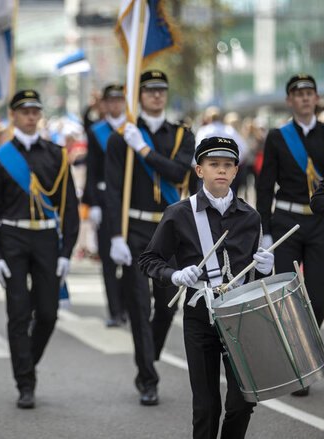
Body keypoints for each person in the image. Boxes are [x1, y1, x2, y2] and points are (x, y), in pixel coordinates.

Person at [139, 137, 274, 439]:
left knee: (243, 401)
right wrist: (174, 275)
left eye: (228, 165)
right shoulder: (179, 213)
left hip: (240, 315)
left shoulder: (250, 216)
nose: (221, 171)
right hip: (200, 314)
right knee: (206, 406)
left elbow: (257, 278)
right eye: (213, 165)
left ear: (237, 171)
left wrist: (267, 268)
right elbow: (149, 259)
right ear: (199, 170)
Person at [0, 90, 79, 409]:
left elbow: (70, 209)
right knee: (18, 312)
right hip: (13, 239)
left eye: (35, 111)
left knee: (48, 313)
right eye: (24, 111)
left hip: (48, 240)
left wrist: (66, 252)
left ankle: (26, 363)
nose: (31, 116)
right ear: (13, 116)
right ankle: (25, 382)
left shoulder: (57, 155)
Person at [105, 70, 195, 405]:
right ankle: (147, 377)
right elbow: (113, 191)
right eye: (149, 90)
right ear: (139, 95)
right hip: (136, 228)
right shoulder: (120, 138)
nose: (156, 96)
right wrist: (115, 235)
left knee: (169, 304)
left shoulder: (183, 134)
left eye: (161, 90)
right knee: (139, 306)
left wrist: (142, 149)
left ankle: (149, 353)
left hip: (172, 228)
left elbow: (180, 173)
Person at [256, 75, 324, 384]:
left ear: (317, 98)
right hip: (286, 224)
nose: (305, 98)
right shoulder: (278, 137)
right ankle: (297, 364)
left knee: (318, 300)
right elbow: (265, 185)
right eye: (299, 94)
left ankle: (302, 348)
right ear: (289, 100)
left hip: (322, 224)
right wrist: (265, 231)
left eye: (310, 93)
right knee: (287, 297)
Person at [82, 84, 127, 327]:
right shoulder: (96, 131)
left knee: (131, 261)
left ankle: (127, 305)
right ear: (104, 104)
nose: (115, 104)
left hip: (129, 201)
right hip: (104, 200)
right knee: (109, 262)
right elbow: (91, 170)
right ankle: (114, 310)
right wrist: (92, 203)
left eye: (119, 99)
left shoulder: (132, 128)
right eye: (110, 100)